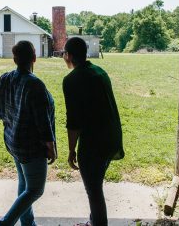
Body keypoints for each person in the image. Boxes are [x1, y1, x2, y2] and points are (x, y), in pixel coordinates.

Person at [0, 40, 57, 226]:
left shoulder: (6, 78)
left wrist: (5, 117)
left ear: (14, 59)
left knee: (24, 183)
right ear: (34, 58)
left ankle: (28, 223)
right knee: (35, 190)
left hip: (13, 141)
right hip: (31, 147)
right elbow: (43, 122)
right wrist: (51, 147)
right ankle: (4, 224)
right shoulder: (35, 85)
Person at [62, 37, 124, 226]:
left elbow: (73, 121)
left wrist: (72, 150)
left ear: (69, 56)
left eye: (64, 54)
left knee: (94, 191)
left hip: (93, 144)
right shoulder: (100, 72)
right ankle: (93, 222)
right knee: (96, 186)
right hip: (111, 138)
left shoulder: (71, 80)